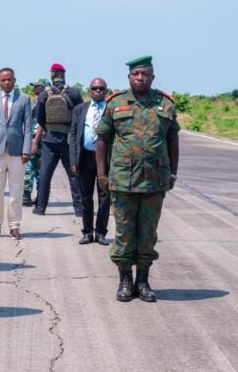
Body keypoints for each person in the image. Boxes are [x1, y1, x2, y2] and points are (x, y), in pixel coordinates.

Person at [96, 56, 180, 303]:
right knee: (124, 232)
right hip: (123, 180)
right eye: (136, 74)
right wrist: (102, 174)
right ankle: (125, 280)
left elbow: (173, 140)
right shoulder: (116, 103)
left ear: (152, 77)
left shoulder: (165, 104)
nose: (140, 78)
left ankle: (143, 281)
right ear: (129, 77)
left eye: (145, 74)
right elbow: (102, 139)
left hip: (155, 181)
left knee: (148, 232)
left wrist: (173, 172)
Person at [0, 68, 32, 240]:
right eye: (3, 80)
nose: (6, 83)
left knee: (16, 190)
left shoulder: (24, 99)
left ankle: (15, 226)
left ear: (14, 80)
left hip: (17, 152)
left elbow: (28, 127)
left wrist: (27, 149)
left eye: (9, 79)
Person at [32, 64, 83, 216]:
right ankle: (80, 210)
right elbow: (80, 114)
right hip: (68, 141)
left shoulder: (43, 95)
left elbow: (39, 119)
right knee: (74, 176)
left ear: (52, 75)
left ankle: (40, 208)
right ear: (63, 74)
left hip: (49, 141)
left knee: (45, 175)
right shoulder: (73, 93)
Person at [69, 78, 111, 246]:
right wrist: (73, 160)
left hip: (105, 159)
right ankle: (87, 232)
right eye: (94, 88)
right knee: (86, 197)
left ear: (106, 91)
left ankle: (101, 233)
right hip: (85, 157)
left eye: (101, 88)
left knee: (105, 197)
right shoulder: (80, 109)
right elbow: (72, 136)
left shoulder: (111, 110)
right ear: (90, 91)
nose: (97, 91)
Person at [23, 78, 48, 206]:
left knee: (31, 167)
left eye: (37, 87)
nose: (34, 89)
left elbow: (40, 124)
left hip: (38, 139)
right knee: (37, 169)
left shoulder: (43, 102)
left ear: (43, 88)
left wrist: (35, 141)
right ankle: (37, 197)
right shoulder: (38, 102)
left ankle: (30, 196)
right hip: (39, 139)